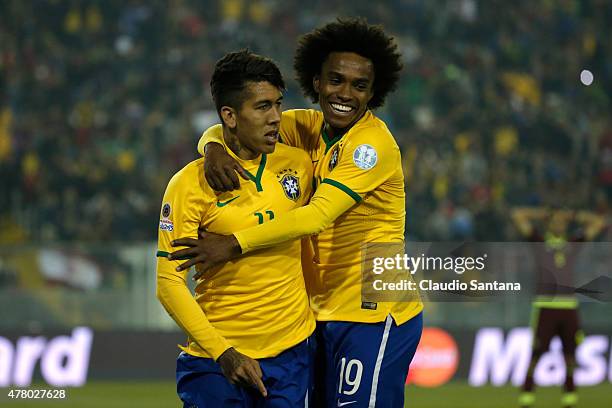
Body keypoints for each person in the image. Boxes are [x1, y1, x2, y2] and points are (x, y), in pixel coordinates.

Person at [170, 18, 423, 407]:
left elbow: (317, 216)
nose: (345, 94)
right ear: (316, 82)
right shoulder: (306, 127)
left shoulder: (371, 145)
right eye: (335, 80)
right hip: (319, 312)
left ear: (374, 93)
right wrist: (212, 148)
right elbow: (236, 125)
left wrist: (234, 244)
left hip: (372, 309)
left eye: (360, 86)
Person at [156, 49, 316, 408]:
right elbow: (168, 283)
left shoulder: (300, 164)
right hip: (217, 362)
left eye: (278, 104)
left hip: (292, 357)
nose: (276, 118)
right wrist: (224, 352)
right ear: (229, 115)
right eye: (262, 107)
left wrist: (211, 141)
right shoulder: (189, 185)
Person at [511, 207, 607, 408]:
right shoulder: (539, 242)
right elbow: (517, 215)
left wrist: (573, 214)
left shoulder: (573, 243)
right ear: (549, 224)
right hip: (545, 305)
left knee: (570, 354)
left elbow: (599, 222)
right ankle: (527, 395)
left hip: (569, 306)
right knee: (536, 353)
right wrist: (543, 214)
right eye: (555, 221)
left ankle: (569, 396)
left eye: (562, 222)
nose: (559, 224)